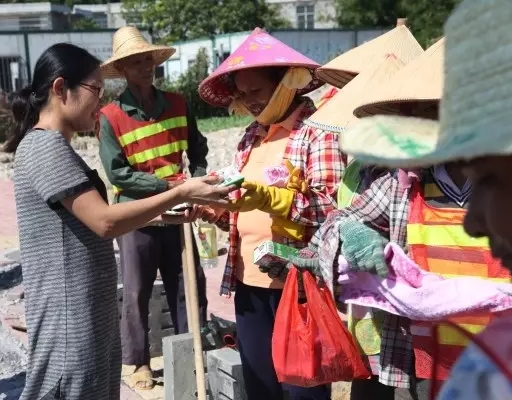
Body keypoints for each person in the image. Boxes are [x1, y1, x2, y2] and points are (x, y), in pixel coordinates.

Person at [2, 42, 233, 400]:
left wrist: (166, 211)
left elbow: (95, 222)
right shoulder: (44, 147)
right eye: (95, 90)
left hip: (87, 310)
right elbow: (104, 222)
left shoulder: (56, 146)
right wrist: (179, 193)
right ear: (61, 89)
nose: (100, 101)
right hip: (70, 318)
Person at [292, 37, 512, 400]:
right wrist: (350, 232)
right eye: (415, 116)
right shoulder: (404, 183)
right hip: (430, 361)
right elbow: (335, 223)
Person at [197, 27, 343, 400]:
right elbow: (242, 205)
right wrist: (217, 209)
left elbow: (331, 208)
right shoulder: (251, 136)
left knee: (303, 390)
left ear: (285, 84)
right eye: (242, 95)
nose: (250, 102)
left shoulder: (317, 132)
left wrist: (269, 198)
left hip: (297, 284)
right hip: (248, 282)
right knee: (260, 387)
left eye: (257, 91)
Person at [98, 26, 210, 390]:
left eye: (148, 59)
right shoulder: (110, 116)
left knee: (188, 286)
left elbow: (198, 150)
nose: (145, 67)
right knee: (136, 292)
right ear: (122, 70)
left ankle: (192, 353)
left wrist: (197, 186)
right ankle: (139, 362)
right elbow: (118, 173)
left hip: (178, 213)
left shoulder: (177, 104)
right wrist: (170, 188)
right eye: (135, 62)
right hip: (136, 217)